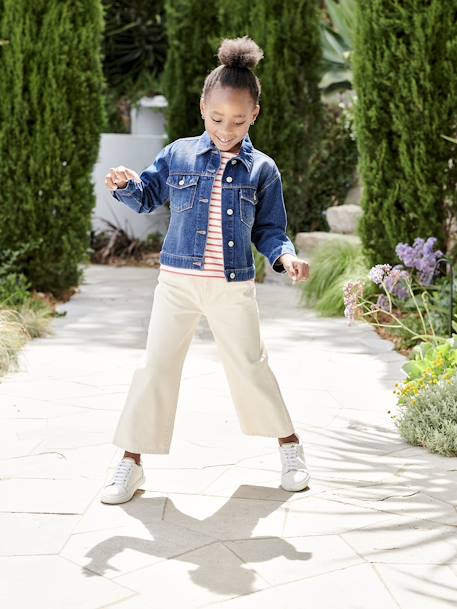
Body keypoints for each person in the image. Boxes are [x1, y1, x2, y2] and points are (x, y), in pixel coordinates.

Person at [100, 35, 311, 505]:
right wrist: (126, 183)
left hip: (232, 286)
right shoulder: (178, 154)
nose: (226, 128)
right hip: (176, 283)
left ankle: (291, 448)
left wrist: (285, 258)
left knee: (251, 368)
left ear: (255, 113)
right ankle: (130, 464)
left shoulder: (263, 170)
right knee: (155, 367)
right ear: (202, 108)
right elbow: (148, 193)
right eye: (217, 118)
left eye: (238, 120)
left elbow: (272, 230)